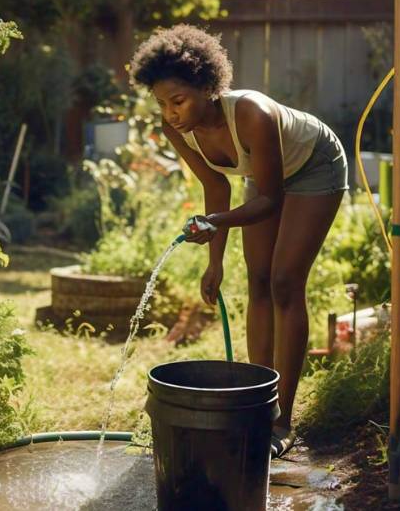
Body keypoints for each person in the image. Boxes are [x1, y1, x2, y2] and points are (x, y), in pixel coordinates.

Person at [129, 24, 348, 458]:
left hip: (314, 165)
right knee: (258, 283)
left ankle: (283, 420)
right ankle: (257, 405)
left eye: (178, 100)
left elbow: (269, 200)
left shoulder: (250, 113)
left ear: (208, 86)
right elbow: (216, 188)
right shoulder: (179, 128)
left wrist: (215, 221)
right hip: (264, 177)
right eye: (162, 103)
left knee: (285, 282)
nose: (170, 113)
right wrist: (215, 263)